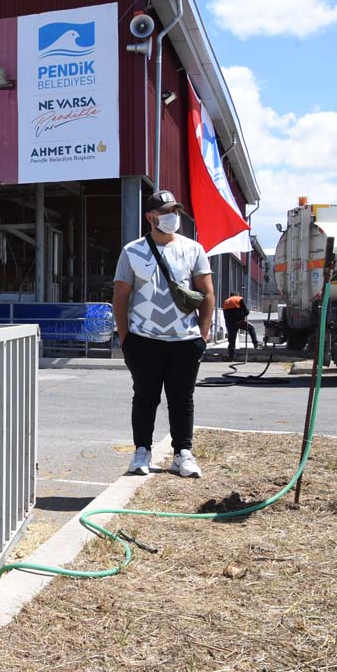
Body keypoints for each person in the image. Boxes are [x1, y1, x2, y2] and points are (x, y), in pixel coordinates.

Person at [113, 190, 214, 479]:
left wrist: (202, 335)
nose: (173, 217)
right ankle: (141, 451)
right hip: (143, 341)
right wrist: (126, 338)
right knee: (145, 397)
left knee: (182, 398)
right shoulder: (132, 251)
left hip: (185, 341)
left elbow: (207, 292)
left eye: (175, 211)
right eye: (167, 212)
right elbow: (120, 297)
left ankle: (182, 453)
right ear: (150, 217)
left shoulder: (193, 249)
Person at [223, 291, 258, 360]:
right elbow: (246, 311)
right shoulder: (239, 299)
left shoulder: (225, 301)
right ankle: (255, 344)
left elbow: (225, 314)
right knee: (251, 328)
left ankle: (231, 357)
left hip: (230, 324)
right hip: (239, 321)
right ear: (237, 295)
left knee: (231, 341)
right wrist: (243, 315)